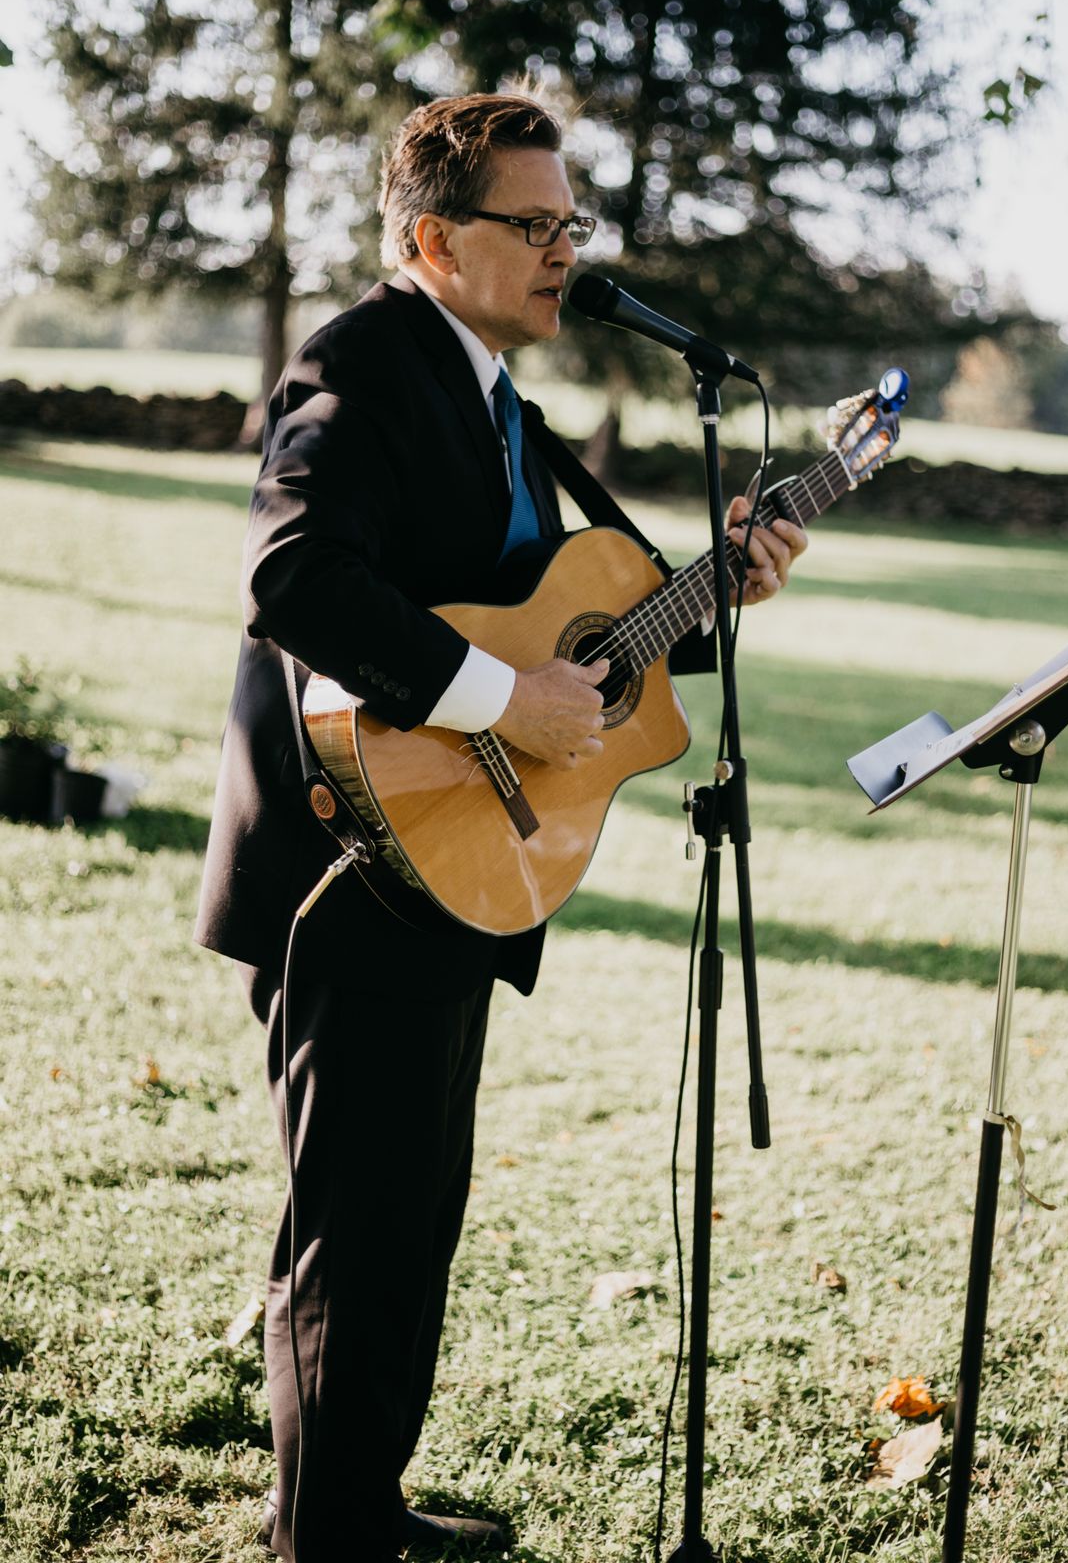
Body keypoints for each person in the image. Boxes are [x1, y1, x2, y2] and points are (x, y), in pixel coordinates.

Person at [195, 90, 807, 1562]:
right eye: (532, 225)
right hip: (349, 862)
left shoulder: (495, 401)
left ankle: (356, 1501)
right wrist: (498, 700)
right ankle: (324, 1539)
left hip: (453, 862)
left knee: (413, 1216)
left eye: (570, 224)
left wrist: (718, 588)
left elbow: (565, 635)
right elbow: (293, 580)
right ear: (431, 240)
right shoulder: (359, 362)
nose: (564, 253)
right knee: (356, 1226)